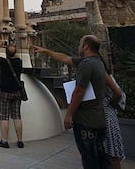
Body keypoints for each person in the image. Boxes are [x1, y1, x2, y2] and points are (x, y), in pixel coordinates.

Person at [33, 35, 115, 169]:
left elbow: (79, 91)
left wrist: (69, 114)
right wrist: (46, 51)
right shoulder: (97, 62)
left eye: (80, 44)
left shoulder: (87, 64)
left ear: (86, 46)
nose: (78, 47)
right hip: (98, 120)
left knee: (90, 160)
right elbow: (65, 58)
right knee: (100, 158)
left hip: (86, 122)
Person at [0, 42, 25, 149]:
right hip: (17, 92)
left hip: (4, 92)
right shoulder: (19, 62)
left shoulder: (2, 62)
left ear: (6, 53)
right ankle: (20, 141)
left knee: (4, 117)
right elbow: (16, 55)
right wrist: (12, 48)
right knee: (17, 116)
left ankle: (4, 141)